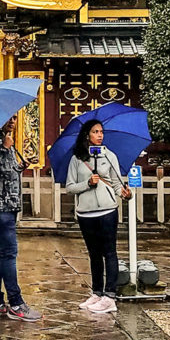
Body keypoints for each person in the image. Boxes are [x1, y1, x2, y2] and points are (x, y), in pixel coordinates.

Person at [0, 115, 41, 321]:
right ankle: (16, 303)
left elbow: (2, 172)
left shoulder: (3, 139)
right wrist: (3, 148)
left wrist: (18, 167)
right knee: (9, 253)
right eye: (8, 118)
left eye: (14, 117)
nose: (12, 121)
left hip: (7, 204)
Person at [64, 119, 131, 314]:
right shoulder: (76, 159)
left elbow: (118, 184)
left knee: (109, 252)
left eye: (101, 131)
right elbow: (69, 187)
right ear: (87, 135)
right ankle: (97, 292)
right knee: (93, 253)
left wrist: (126, 194)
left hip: (107, 210)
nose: (100, 135)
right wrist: (87, 183)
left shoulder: (109, 156)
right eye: (95, 132)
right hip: (85, 212)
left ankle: (110, 296)